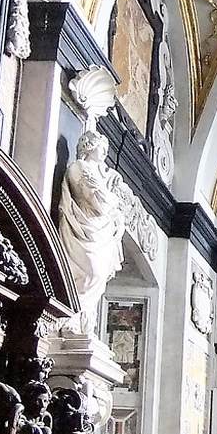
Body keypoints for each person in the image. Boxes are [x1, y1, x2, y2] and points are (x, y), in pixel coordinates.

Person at [57, 130, 127, 336]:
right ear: (89, 146)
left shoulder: (104, 176)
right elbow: (101, 203)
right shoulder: (79, 168)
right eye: (101, 148)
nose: (104, 153)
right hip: (83, 228)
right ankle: (71, 315)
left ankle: (83, 318)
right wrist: (112, 201)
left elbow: (107, 203)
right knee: (91, 271)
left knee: (99, 275)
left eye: (106, 149)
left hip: (101, 232)